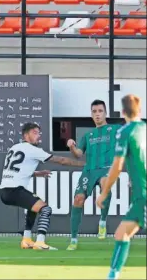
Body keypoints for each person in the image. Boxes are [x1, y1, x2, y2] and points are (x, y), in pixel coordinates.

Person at [0, 122, 85, 250]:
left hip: (4, 191)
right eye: (35, 132)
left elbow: (16, 170)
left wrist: (37, 173)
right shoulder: (33, 150)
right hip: (15, 190)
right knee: (46, 209)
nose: (38, 135)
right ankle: (40, 242)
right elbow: (61, 160)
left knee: (33, 208)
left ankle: (26, 240)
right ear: (26, 135)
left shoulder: (14, 148)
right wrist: (84, 165)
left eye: (39, 133)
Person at [96, 95, 146, 280]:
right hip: (141, 195)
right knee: (122, 233)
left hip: (144, 194)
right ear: (139, 110)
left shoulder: (125, 132)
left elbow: (117, 167)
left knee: (122, 234)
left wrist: (104, 193)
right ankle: (113, 275)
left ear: (122, 112)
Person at [66, 100, 122, 250]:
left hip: (107, 168)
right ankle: (73, 239)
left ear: (105, 113)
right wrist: (72, 146)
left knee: (105, 184)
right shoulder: (88, 135)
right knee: (78, 199)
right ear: (91, 114)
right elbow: (78, 154)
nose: (97, 114)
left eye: (100, 111)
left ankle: (102, 222)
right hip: (89, 170)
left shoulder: (115, 128)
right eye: (94, 111)